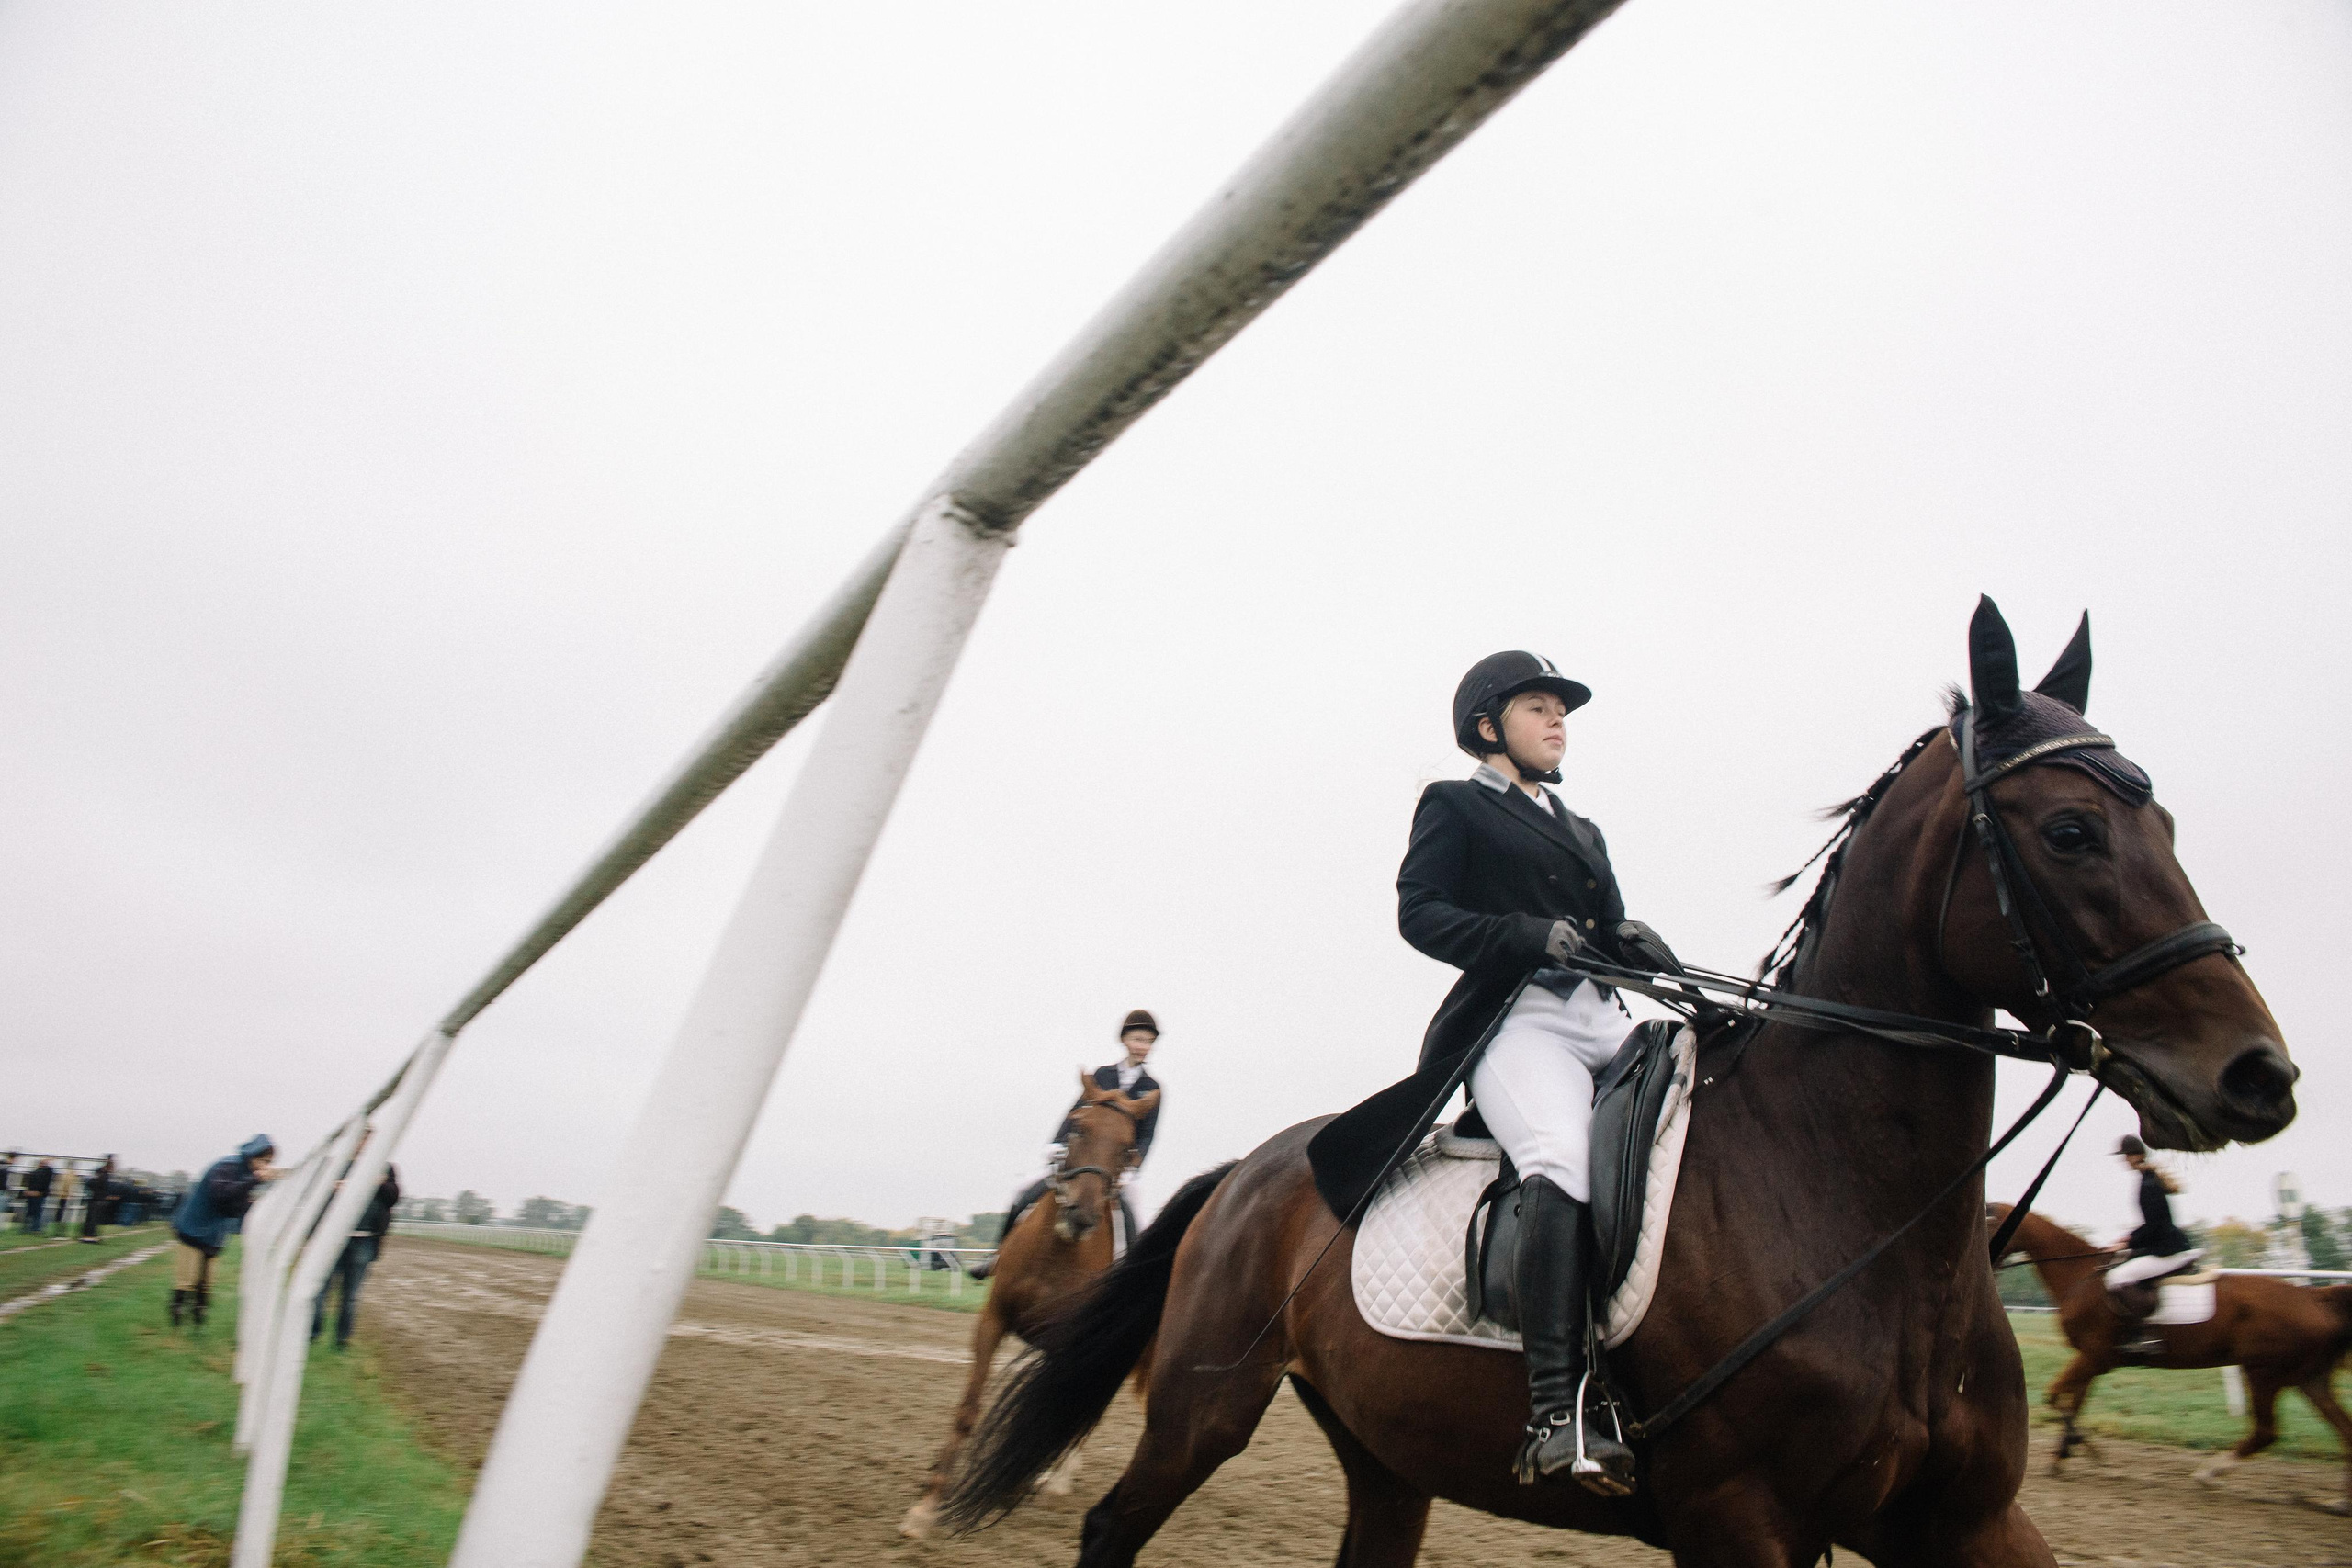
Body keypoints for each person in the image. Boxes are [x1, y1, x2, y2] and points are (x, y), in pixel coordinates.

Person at [1307, 651, 1679, 1497]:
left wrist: (1633, 946)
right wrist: (1517, 933)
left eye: (1562, 710)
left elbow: (1603, 926)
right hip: (1518, 1021)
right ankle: (1557, 1411)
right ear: (1487, 725)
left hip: (1598, 1013)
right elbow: (1420, 911)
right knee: (1560, 1152)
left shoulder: (1583, 828)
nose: (1558, 721)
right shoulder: (1455, 803)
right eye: (1539, 707)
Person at [967, 1009, 1164, 1281]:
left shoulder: (1152, 1088)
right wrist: (1057, 1143)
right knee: (1023, 1191)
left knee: (1135, 1213)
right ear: (1125, 1040)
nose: (1142, 1046)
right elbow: (1076, 1112)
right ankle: (996, 1255)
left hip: (1118, 1165)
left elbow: (1147, 1134)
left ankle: (1129, 1280)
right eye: (1138, 1039)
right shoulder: (1102, 1076)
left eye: (1147, 1041)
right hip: (1084, 1160)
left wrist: (1135, 1165)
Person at [169, 1135, 278, 1327]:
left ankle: (198, 1324)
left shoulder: (244, 1173)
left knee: (206, 1282)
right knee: (186, 1279)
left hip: (212, 1234)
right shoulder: (228, 1166)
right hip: (194, 1228)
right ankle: (176, 1322)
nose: (265, 1166)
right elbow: (222, 1193)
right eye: (264, 1160)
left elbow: (234, 1206)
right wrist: (254, 1180)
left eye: (268, 1163)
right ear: (254, 1155)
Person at [2104, 1134, 2198, 1354]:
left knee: (2115, 1278)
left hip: (2167, 1250)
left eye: (2126, 1156)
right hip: (2163, 1245)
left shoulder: (2148, 1182)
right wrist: (2126, 1239)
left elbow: (2155, 1225)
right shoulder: (2147, 1178)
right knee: (2122, 1267)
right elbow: (2152, 1224)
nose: (2123, 1160)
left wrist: (2128, 1241)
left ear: (2136, 1156)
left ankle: (2145, 1335)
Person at [312, 1164, 400, 1350]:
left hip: (364, 1241)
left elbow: (393, 1197)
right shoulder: (340, 1163)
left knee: (350, 1295)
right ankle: (312, 1333)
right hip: (332, 1240)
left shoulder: (384, 1166)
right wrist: (334, 1188)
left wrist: (380, 1183)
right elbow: (317, 1195)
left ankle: (342, 1341)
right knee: (321, 1289)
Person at [78, 1156, 116, 1243]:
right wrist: (100, 1194)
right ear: (109, 1167)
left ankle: (88, 1235)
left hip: (96, 1198)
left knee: (92, 1218)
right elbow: (94, 1184)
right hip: (97, 1199)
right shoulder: (103, 1175)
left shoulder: (100, 1174)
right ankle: (89, 1236)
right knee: (93, 1219)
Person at [20, 1159, 55, 1235]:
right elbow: (51, 1172)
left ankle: (25, 1228)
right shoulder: (47, 1173)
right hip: (39, 1194)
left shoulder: (33, 1173)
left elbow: (28, 1184)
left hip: (31, 1193)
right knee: (37, 1213)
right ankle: (35, 1228)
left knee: (29, 1212)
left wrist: (29, 1192)